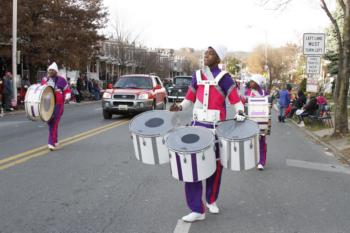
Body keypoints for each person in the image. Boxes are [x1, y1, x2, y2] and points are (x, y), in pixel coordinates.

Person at [170, 45, 245, 222]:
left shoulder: (224, 78)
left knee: (215, 167)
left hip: (216, 128)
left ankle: (211, 200)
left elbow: (236, 100)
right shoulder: (197, 76)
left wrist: (240, 112)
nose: (206, 55)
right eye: (206, 53)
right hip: (196, 127)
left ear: (219, 58)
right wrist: (180, 106)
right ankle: (197, 209)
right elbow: (189, 98)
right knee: (191, 167)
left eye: (210, 54)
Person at [41, 62, 71, 150]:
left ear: (56, 71)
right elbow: (41, 91)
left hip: (58, 103)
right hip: (47, 103)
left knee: (54, 123)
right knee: (51, 122)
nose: (50, 71)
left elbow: (67, 90)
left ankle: (51, 142)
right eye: (49, 70)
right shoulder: (45, 80)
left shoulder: (61, 80)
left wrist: (67, 95)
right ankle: (55, 140)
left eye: (52, 70)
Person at [244, 75, 268, 170]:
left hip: (261, 120)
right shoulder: (247, 92)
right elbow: (243, 105)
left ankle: (261, 162)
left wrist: (268, 122)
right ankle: (251, 159)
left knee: (262, 142)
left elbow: (268, 107)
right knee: (250, 142)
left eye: (253, 81)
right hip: (250, 121)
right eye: (250, 81)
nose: (251, 83)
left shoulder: (264, 93)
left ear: (257, 83)